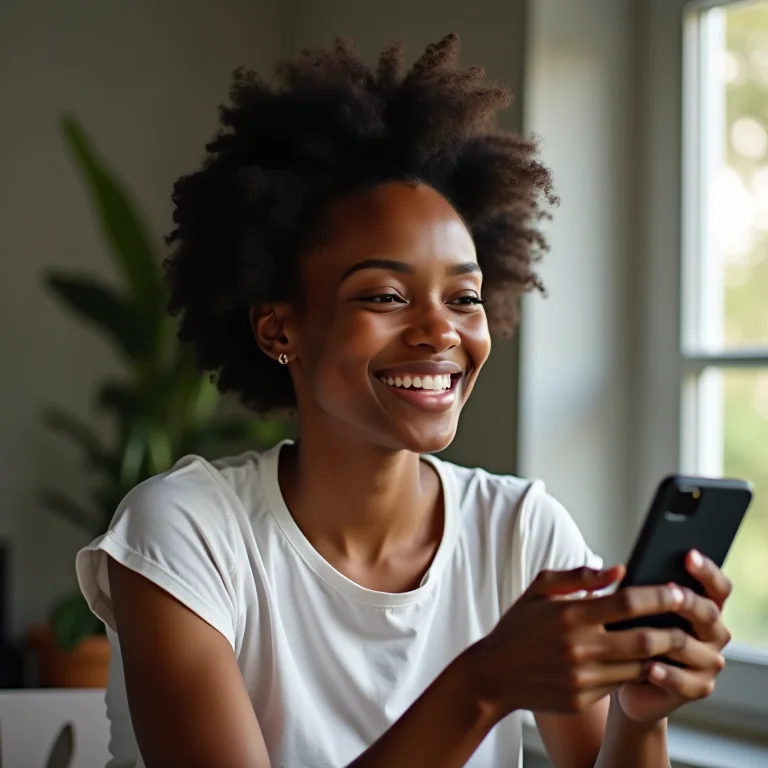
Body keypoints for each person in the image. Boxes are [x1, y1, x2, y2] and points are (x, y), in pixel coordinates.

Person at [76, 34, 733, 768]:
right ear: (278, 326)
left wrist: (640, 719)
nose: (440, 332)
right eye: (385, 295)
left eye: (465, 298)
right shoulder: (185, 536)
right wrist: (480, 685)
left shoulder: (520, 533)